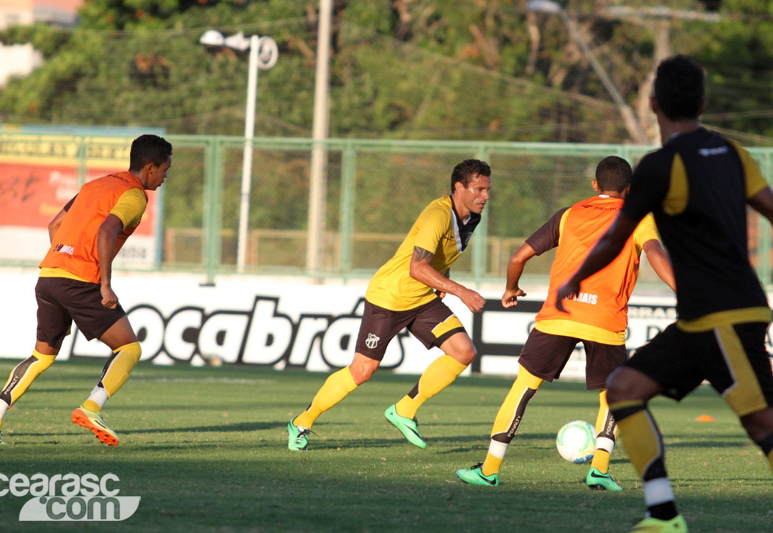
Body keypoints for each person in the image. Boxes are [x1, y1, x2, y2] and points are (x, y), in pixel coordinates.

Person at [556, 55, 773, 533]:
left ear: (653, 103)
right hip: (701, 320)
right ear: (704, 102)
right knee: (624, 389)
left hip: (725, 316)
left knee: (763, 426)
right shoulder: (734, 153)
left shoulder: (659, 166)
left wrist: (574, 278)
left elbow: (615, 237)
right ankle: (664, 514)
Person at [455, 156, 675, 491]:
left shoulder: (569, 214)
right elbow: (657, 253)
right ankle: (599, 471)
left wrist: (511, 287)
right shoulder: (637, 218)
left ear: (595, 186)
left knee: (523, 389)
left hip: (559, 315)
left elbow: (518, 257)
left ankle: (489, 469)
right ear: (629, 190)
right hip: (605, 319)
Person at [0, 134, 172, 447]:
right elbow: (108, 230)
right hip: (80, 280)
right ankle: (91, 407)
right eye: (165, 170)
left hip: (50, 275)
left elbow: (55, 224)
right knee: (129, 348)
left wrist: (64, 260)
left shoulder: (95, 184)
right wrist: (104, 283)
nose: (165, 177)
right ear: (150, 167)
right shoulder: (134, 195)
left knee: (42, 355)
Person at [288, 159, 491, 451]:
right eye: (479, 189)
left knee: (463, 352)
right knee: (362, 371)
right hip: (390, 297)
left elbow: (441, 256)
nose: (485, 196)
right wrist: (460, 291)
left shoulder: (472, 217)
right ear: (459, 188)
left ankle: (405, 410)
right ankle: (302, 422)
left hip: (422, 299)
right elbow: (417, 267)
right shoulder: (437, 214)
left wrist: (442, 279)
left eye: (487, 190)